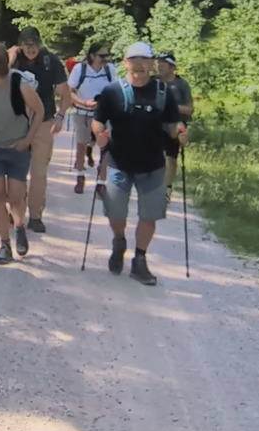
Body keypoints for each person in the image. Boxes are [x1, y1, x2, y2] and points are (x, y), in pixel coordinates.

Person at [90, 41, 184, 287]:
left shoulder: (163, 93)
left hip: (153, 165)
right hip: (119, 163)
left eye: (145, 60)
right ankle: (119, 240)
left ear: (152, 63)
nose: (140, 65)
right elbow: (98, 120)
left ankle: (140, 260)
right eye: (135, 60)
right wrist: (99, 135)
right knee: (115, 212)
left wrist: (180, 134)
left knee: (149, 215)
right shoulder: (113, 91)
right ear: (126, 63)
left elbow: (173, 126)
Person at [0, 41, 44, 264]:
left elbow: (39, 111)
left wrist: (28, 139)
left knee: (15, 197)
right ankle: (4, 244)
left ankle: (19, 226)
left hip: (17, 149)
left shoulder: (18, 84)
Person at [9, 27, 72, 234]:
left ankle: (35, 215)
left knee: (38, 173)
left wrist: (60, 117)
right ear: (20, 45)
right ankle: (15, 210)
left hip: (43, 122)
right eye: (26, 45)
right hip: (17, 123)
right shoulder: (13, 60)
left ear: (40, 44)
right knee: (15, 172)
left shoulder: (50, 61)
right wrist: (9, 59)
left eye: (34, 45)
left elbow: (65, 93)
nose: (30, 49)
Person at [67, 44, 117, 192]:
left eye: (107, 56)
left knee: (105, 147)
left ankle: (101, 182)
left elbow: (116, 90)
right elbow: (69, 91)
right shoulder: (80, 69)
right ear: (92, 56)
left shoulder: (110, 70)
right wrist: (83, 102)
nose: (105, 59)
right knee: (82, 144)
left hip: (103, 115)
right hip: (83, 112)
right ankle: (80, 176)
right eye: (102, 56)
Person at [155, 51, 195, 183]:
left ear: (172, 67)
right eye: (158, 62)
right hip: (155, 124)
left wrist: (171, 107)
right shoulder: (153, 82)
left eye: (163, 63)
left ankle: (167, 187)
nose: (159, 65)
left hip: (175, 125)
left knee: (170, 158)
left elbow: (189, 109)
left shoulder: (181, 84)